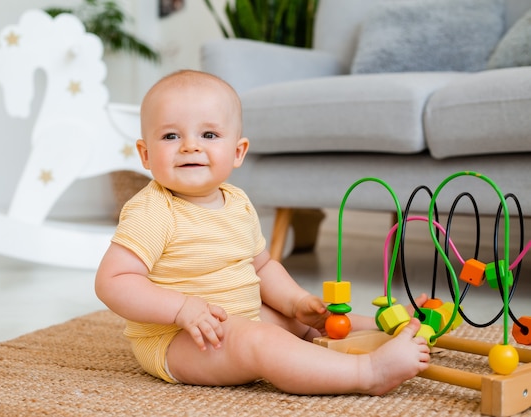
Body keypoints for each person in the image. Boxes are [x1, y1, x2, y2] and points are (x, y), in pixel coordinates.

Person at [95, 69, 430, 395]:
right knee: (261, 343)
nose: (190, 147)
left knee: (315, 322)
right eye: (171, 136)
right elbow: (114, 281)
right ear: (145, 154)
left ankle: (395, 328)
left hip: (241, 314)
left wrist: (296, 301)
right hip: (178, 339)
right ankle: (368, 373)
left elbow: (262, 267)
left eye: (208, 135)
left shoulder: (237, 201)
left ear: (238, 151)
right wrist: (181, 309)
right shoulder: (153, 211)